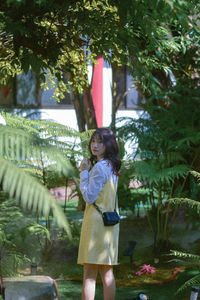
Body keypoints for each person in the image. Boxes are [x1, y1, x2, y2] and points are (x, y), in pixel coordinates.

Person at [77, 128, 121, 300]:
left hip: (96, 224)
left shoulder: (99, 168)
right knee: (107, 272)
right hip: (110, 224)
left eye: (100, 142)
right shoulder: (112, 166)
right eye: (93, 141)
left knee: (89, 274)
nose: (95, 145)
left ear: (108, 144)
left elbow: (89, 197)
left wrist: (83, 172)